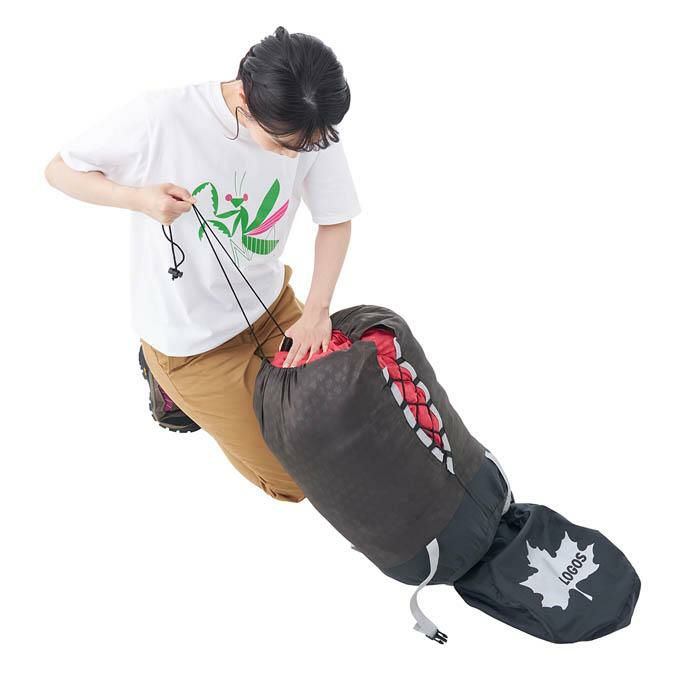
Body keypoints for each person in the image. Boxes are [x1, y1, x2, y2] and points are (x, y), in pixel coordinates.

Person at [44, 26, 361, 503]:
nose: (294, 155)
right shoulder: (162, 117)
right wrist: (137, 198)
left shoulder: (307, 120)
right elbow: (59, 170)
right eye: (284, 144)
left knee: (341, 434)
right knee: (298, 483)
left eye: (305, 146)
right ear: (245, 102)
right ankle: (164, 379)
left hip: (272, 309)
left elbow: (334, 220)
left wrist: (317, 311)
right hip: (191, 345)